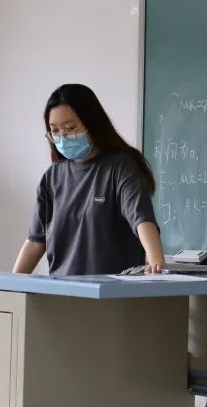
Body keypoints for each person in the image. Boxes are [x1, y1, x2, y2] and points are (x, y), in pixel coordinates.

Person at [12, 84, 165, 276]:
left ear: (92, 124)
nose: (62, 137)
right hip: (62, 289)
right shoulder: (53, 177)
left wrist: (156, 260)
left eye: (70, 128)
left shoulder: (120, 167)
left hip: (112, 290)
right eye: (55, 130)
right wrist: (11, 283)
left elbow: (141, 219)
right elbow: (36, 241)